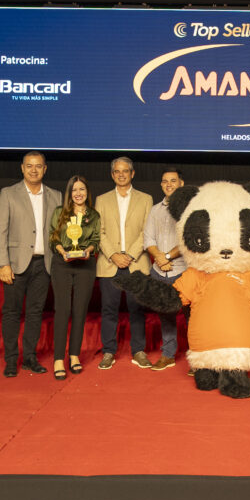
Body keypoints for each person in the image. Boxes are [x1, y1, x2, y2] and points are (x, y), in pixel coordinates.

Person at [0, 151, 62, 377]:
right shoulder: (8, 193)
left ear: (45, 169)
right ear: (22, 168)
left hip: (44, 264)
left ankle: (30, 358)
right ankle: (11, 359)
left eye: (38, 166)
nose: (34, 170)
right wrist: (3, 263)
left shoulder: (56, 196)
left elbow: (60, 231)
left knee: (35, 312)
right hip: (15, 264)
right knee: (12, 312)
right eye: (29, 166)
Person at [94, 156, 153, 370]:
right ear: (112, 175)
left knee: (137, 309)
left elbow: (147, 231)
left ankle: (138, 351)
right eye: (117, 171)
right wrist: (113, 255)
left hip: (136, 263)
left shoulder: (145, 199)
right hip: (110, 263)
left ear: (132, 173)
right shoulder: (101, 200)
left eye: (125, 171)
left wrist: (129, 255)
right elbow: (99, 232)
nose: (121, 174)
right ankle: (109, 351)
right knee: (109, 309)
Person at [48, 175, 100, 380]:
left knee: (80, 310)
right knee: (63, 310)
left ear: (87, 192)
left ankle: (74, 355)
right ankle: (58, 358)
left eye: (82, 189)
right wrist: (62, 251)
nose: (78, 193)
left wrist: (88, 250)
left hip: (85, 266)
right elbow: (53, 237)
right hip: (62, 264)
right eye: (74, 190)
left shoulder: (94, 215)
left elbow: (96, 239)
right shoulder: (59, 212)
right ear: (69, 193)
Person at [144, 168, 188, 371]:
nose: (169, 184)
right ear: (161, 185)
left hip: (184, 271)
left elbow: (189, 240)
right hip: (160, 271)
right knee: (165, 315)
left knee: (192, 316)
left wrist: (167, 257)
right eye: (165, 181)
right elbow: (148, 239)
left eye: (173, 180)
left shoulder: (190, 209)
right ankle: (168, 355)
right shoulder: (155, 210)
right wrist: (160, 259)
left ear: (181, 183)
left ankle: (197, 358)